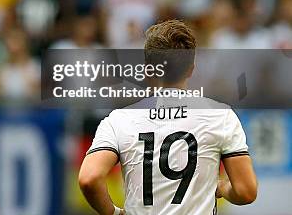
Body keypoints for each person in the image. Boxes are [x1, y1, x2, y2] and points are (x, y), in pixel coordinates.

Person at [78, 19, 257, 214]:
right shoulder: (220, 116)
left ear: (147, 69)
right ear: (191, 69)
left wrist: (113, 212)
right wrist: (223, 187)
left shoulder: (118, 120)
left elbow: (89, 179)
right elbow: (246, 191)